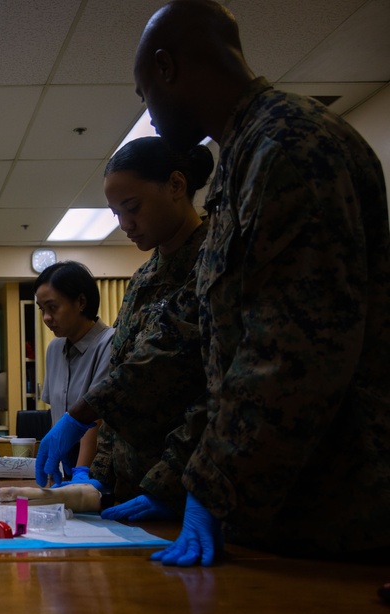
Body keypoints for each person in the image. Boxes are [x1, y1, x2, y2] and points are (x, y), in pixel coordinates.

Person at [133, 0, 390, 565]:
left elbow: (294, 353)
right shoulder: (242, 155)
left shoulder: (288, 145)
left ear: (166, 67)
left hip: (332, 509)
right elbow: (227, 358)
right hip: (279, 504)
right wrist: (182, 475)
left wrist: (210, 484)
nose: (148, 113)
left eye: (142, 91)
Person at [57, 137, 213, 523]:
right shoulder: (144, 276)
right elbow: (125, 379)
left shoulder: (213, 261)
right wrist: (97, 475)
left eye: (133, 208)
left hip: (189, 486)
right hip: (132, 486)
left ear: (176, 186)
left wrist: (173, 483)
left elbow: (212, 391)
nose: (125, 224)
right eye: (115, 214)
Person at [33, 261, 115, 487]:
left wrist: (81, 472)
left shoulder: (111, 343)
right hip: (68, 472)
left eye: (52, 307)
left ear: (80, 302)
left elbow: (96, 416)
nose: (46, 318)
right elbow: (57, 416)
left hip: (100, 473)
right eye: (42, 310)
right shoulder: (54, 349)